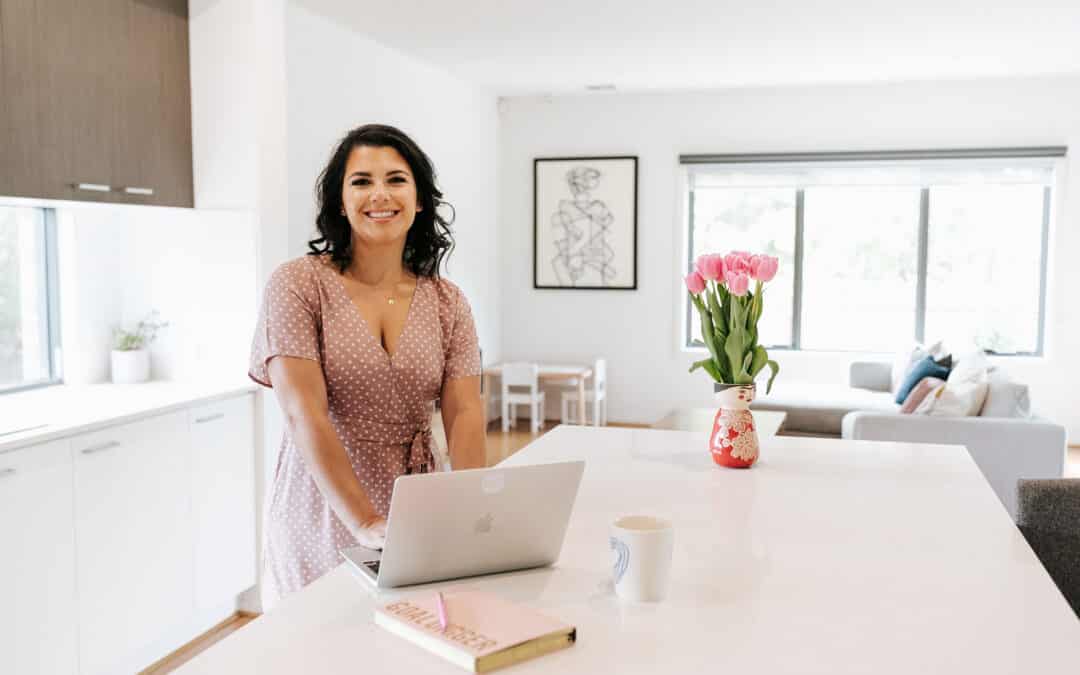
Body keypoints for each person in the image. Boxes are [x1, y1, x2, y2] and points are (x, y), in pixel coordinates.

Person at [248, 124, 486, 609]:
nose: (380, 194)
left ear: (419, 199)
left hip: (417, 500)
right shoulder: (298, 284)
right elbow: (302, 412)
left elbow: (464, 409)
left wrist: (474, 502)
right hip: (321, 504)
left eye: (396, 179)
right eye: (361, 181)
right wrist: (361, 520)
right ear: (339, 201)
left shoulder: (447, 301)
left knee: (411, 640)